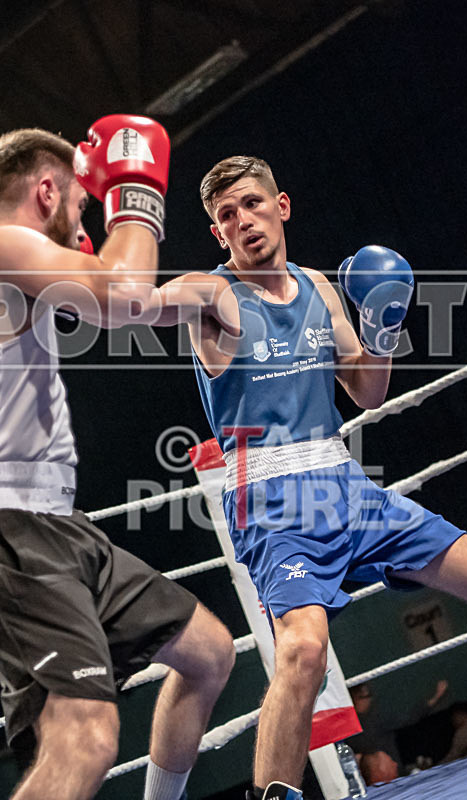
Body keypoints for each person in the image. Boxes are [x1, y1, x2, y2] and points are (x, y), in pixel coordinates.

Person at [149, 155, 467, 800]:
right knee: (303, 652)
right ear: (217, 233)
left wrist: (381, 329)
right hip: (271, 498)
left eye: (252, 203)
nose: (243, 220)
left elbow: (366, 391)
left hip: (345, 486)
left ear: (281, 206)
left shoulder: (317, 286)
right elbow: (140, 303)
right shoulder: (212, 295)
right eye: (227, 215)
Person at [0, 118, 235, 800]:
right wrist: (136, 192)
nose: (84, 225)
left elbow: (137, 302)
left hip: (53, 525)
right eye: (81, 205)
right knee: (87, 737)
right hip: (14, 530)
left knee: (209, 653)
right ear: (47, 191)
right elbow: (123, 293)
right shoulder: (6, 241)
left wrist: (212, 294)